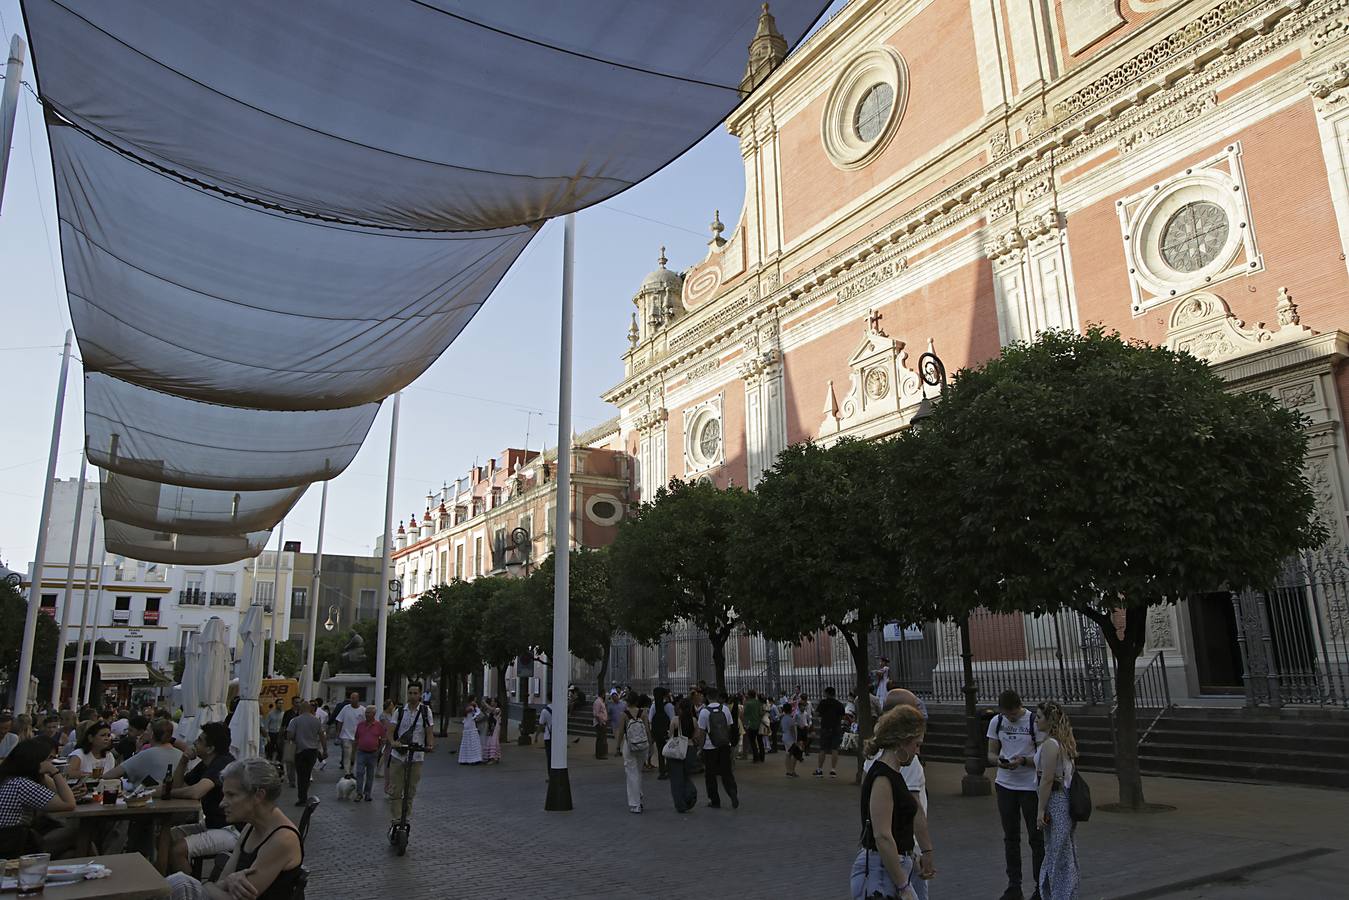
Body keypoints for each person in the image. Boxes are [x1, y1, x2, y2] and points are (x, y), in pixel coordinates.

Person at [165, 757, 303, 900]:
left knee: (181, 884)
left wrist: (207, 886)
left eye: (231, 795)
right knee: (180, 884)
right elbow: (222, 882)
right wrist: (225, 882)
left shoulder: (282, 839)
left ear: (258, 795)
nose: (222, 803)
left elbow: (234, 897)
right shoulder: (250, 828)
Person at [851, 706, 935, 900]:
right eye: (916, 744)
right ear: (903, 742)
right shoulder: (883, 777)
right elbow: (882, 836)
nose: (917, 750)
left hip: (891, 866)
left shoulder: (892, 773)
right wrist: (903, 885)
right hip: (881, 871)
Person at [986, 690, 1046, 900]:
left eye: (1012, 714)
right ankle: (1014, 885)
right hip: (1005, 784)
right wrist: (1000, 761)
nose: (1009, 718)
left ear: (1019, 707)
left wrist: (1023, 761)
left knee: (1036, 838)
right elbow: (991, 752)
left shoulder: (1033, 721)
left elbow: (1042, 756)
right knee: (1010, 837)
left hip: (1029, 787)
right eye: (1006, 714)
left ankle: (1041, 886)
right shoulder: (997, 721)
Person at [167, 722, 238, 874]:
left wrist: (166, 793)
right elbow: (177, 787)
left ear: (210, 748)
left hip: (231, 829)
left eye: (199, 740)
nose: (194, 743)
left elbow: (196, 792)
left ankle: (188, 892)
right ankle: (169, 882)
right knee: (167, 836)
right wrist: (183, 760)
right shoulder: (205, 764)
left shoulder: (223, 764)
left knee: (178, 850)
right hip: (211, 824)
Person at [0, 737, 78, 857]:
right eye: (50, 759)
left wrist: (43, 774)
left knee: (71, 853)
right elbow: (69, 804)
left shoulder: (9, 778)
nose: (52, 762)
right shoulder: (22, 784)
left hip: (10, 840)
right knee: (77, 832)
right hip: (10, 845)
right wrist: (54, 772)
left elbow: (61, 797)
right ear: (37, 761)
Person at [1035, 702, 1080, 900]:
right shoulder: (1064, 742)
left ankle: (1059, 894)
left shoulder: (1050, 745)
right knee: (1064, 849)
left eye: (1039, 717)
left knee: (1057, 851)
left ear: (1049, 720)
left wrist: (1040, 810)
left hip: (1057, 800)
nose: (1036, 720)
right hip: (1066, 799)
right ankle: (1065, 892)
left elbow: (1047, 779)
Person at [387, 681, 435, 829]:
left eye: (415, 693)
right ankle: (396, 819)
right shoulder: (400, 711)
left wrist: (430, 745)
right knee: (396, 789)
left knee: (411, 790)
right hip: (399, 755)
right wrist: (393, 742)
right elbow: (390, 731)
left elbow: (429, 732)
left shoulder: (426, 711)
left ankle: (405, 818)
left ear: (420, 694)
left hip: (416, 756)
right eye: (410, 693)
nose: (412, 696)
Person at [695, 687, 739, 809]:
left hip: (710, 747)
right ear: (718, 696)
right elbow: (729, 727)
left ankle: (714, 800)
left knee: (710, 775)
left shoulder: (704, 712)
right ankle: (732, 792)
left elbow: (702, 732)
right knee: (726, 772)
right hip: (724, 744)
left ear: (707, 697)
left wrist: (700, 747)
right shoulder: (724, 709)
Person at [108, 718, 182, 786]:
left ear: (152, 734)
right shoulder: (180, 754)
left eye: (146, 730)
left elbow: (112, 774)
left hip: (150, 797)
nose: (143, 733)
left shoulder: (148, 753)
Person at [285, 701, 325, 806]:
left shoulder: (295, 721)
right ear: (310, 709)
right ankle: (304, 795)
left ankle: (302, 798)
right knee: (307, 774)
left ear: (300, 709)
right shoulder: (316, 720)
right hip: (312, 752)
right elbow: (322, 735)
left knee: (301, 775)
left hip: (300, 751)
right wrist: (325, 750)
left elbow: (290, 735)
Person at [616, 692, 650, 814]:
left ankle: (635, 804)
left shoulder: (624, 715)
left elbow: (620, 732)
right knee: (638, 771)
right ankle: (639, 792)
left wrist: (617, 747)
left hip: (630, 745)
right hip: (643, 745)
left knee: (631, 773)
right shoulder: (643, 713)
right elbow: (647, 729)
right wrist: (650, 744)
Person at [666, 696, 699, 813]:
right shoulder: (694, 720)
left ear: (679, 708)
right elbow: (696, 736)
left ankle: (680, 804)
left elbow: (671, 736)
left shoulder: (675, 720)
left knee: (676, 779)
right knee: (685, 775)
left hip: (677, 751)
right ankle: (690, 793)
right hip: (689, 749)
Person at [353, 705, 386, 802]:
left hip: (373, 753)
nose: (366, 714)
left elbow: (383, 739)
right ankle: (359, 793)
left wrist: (379, 750)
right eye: (366, 712)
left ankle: (367, 793)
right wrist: (354, 751)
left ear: (374, 714)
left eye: (369, 713)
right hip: (361, 752)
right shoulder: (360, 725)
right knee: (359, 772)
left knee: (370, 775)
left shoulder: (379, 726)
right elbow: (356, 738)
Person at [815, 686, 847, 778]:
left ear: (827, 693)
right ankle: (833, 770)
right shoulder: (839, 704)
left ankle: (820, 769)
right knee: (835, 749)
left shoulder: (823, 703)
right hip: (836, 728)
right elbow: (843, 716)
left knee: (823, 749)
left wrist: (821, 719)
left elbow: (817, 714)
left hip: (825, 727)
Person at [335, 692, 363, 776]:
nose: (352, 700)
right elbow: (340, 721)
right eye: (351, 698)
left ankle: (351, 770)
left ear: (358, 699)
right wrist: (338, 734)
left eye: (354, 698)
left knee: (353, 755)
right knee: (347, 753)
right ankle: (347, 772)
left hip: (357, 737)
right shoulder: (345, 708)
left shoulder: (363, 710)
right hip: (346, 736)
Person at [650, 687, 674, 780]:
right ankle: (668, 769)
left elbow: (650, 719)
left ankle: (662, 771)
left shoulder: (653, 706)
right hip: (667, 731)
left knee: (660, 751)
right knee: (668, 751)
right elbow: (672, 719)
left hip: (657, 732)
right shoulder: (669, 706)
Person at [280, 696, 301, 787]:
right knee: (290, 761)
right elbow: (283, 726)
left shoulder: (301, 713)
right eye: (296, 702)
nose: (298, 704)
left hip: (300, 740)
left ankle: (298, 780)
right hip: (289, 740)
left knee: (299, 761)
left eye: (299, 702)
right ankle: (292, 780)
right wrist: (280, 737)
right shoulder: (288, 713)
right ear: (292, 703)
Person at [742, 690, 764, 763]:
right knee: (760, 741)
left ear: (749, 695)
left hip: (751, 724)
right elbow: (761, 713)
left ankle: (756, 757)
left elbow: (745, 714)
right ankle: (762, 756)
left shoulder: (748, 704)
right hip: (759, 723)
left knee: (752, 742)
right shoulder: (759, 703)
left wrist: (745, 724)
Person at [458, 700, 483, 765]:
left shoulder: (465, 709)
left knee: (466, 742)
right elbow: (478, 713)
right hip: (471, 726)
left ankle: (464, 759)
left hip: (466, 726)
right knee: (473, 742)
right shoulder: (471, 708)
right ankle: (474, 758)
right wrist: (476, 706)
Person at [781, 702, 801, 777]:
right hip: (790, 738)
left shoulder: (783, 718)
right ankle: (792, 771)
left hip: (785, 736)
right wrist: (795, 740)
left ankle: (788, 771)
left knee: (788, 754)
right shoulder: (790, 719)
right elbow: (792, 731)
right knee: (796, 754)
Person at [482, 699, 502, 765]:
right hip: (490, 727)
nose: (492, 702)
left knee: (493, 741)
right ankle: (491, 757)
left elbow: (492, 710)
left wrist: (485, 704)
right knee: (489, 741)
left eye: (493, 701)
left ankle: (493, 758)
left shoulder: (498, 709)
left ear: (496, 703)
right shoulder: (491, 710)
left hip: (495, 727)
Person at [591, 692, 609, 760]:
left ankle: (601, 753)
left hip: (602, 722)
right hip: (600, 723)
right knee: (600, 739)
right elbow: (596, 714)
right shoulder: (598, 702)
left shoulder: (601, 701)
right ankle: (599, 754)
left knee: (601, 738)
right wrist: (600, 722)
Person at [538, 702, 553, 780]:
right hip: (557, 737)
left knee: (549, 757)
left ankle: (550, 776)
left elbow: (541, 724)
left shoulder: (545, 711)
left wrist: (536, 736)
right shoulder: (559, 709)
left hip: (548, 736)